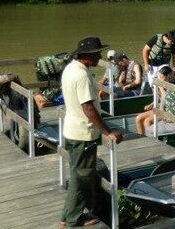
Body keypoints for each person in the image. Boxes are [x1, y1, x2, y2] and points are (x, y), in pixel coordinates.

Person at [60, 36, 122, 228]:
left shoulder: (70, 68)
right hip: (82, 133)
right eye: (97, 54)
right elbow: (88, 108)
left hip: (71, 129)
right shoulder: (82, 75)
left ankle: (67, 215)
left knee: (77, 173)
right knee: (82, 177)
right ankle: (73, 218)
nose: (99, 56)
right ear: (86, 55)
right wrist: (107, 131)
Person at [134, 66, 173, 134]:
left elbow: (167, 99)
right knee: (138, 118)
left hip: (167, 111)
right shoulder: (159, 85)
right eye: (159, 77)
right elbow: (158, 98)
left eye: (162, 77)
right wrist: (151, 104)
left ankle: (151, 141)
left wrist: (161, 88)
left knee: (147, 121)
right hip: (159, 109)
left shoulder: (172, 86)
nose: (160, 79)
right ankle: (141, 138)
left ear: (168, 77)